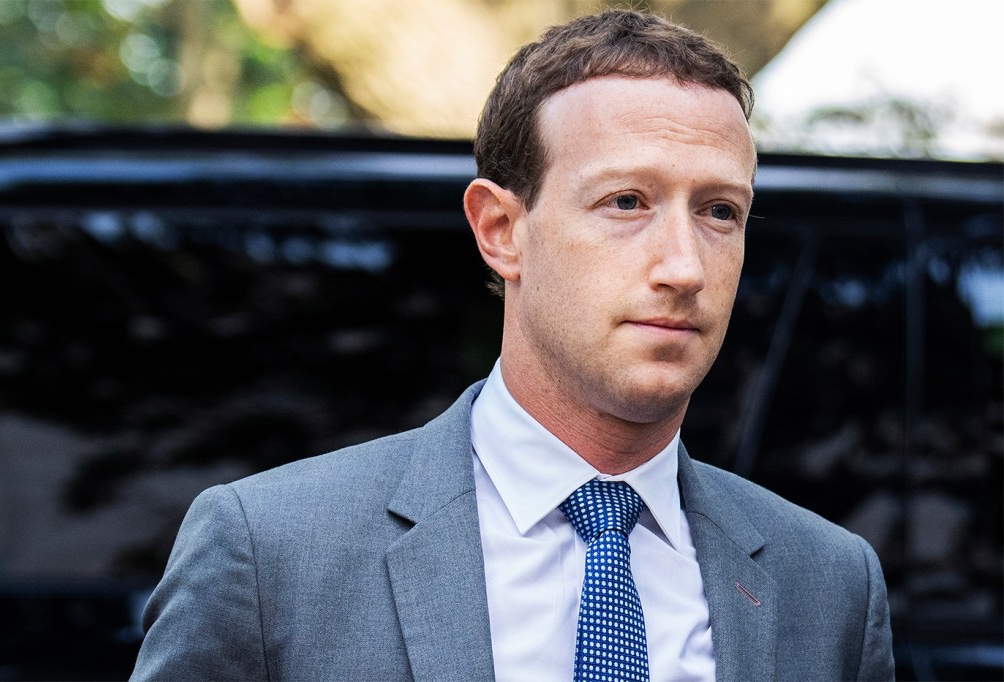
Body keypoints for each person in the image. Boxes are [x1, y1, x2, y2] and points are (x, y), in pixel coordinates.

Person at [131, 9, 894, 681]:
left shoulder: (829, 587)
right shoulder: (271, 554)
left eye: (720, 212)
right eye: (626, 202)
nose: (685, 267)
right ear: (501, 230)